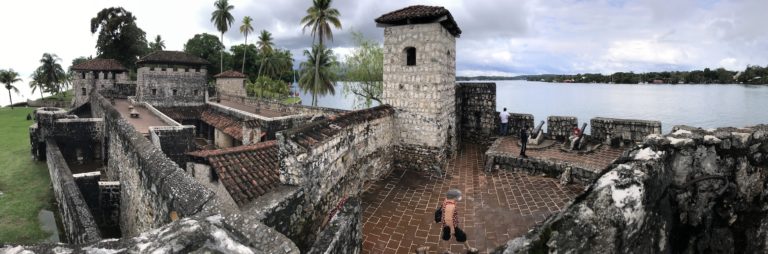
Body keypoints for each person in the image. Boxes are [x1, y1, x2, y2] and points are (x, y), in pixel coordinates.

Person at [438, 189, 478, 254]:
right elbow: (448, 219)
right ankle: (469, 249)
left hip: (446, 225)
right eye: (457, 197)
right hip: (451, 225)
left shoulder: (447, 200)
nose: (458, 199)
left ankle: (445, 251)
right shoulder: (451, 206)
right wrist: (452, 229)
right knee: (462, 235)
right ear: (453, 197)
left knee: (446, 237)